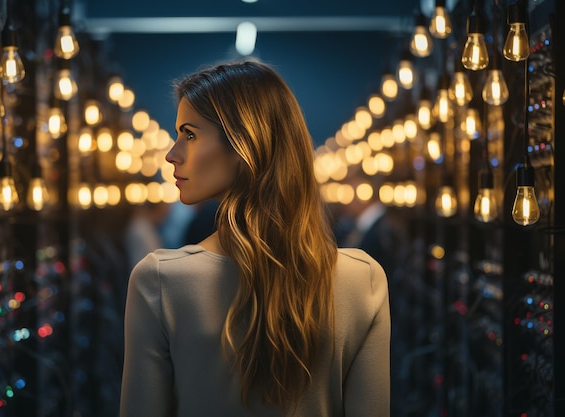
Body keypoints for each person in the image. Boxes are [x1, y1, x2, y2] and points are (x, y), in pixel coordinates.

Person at [120, 60, 390, 417]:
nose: (172, 154)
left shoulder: (160, 281)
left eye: (189, 134)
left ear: (244, 145)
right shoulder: (364, 279)